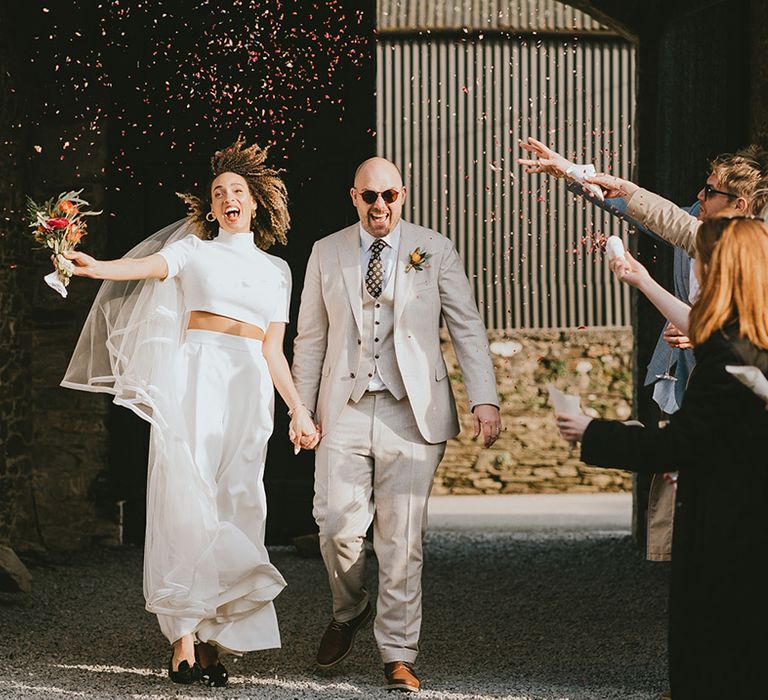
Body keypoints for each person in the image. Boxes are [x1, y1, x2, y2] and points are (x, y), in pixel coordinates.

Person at [60, 138, 319, 687]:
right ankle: (181, 641)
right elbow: (147, 267)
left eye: (237, 191)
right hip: (196, 375)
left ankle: (214, 644)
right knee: (187, 499)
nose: (227, 197)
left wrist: (298, 409)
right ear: (211, 206)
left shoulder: (277, 271)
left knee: (239, 503)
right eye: (218, 191)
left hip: (248, 385)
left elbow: (274, 349)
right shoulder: (194, 252)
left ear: (255, 203)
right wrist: (91, 267)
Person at [291, 156, 501, 693]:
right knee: (337, 527)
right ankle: (349, 609)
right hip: (343, 407)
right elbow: (311, 339)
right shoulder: (326, 251)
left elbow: (467, 327)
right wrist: (301, 407)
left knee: (402, 538)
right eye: (368, 196)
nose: (379, 205)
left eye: (388, 195)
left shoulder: (434, 248)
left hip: (413, 411)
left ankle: (398, 653)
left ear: (402, 195)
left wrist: (485, 399)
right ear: (353, 196)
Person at [556, 216, 768, 699]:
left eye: (705, 264)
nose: (697, 273)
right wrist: (641, 279)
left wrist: (595, 432)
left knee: (716, 665)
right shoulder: (750, 345)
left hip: (729, 538)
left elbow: (681, 445)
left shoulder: (731, 358)